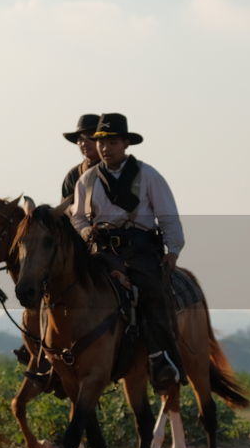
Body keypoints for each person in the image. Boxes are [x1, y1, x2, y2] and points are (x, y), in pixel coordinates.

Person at [70, 113, 187, 389]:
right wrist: (86, 231)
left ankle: (163, 360)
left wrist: (173, 251)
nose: (104, 147)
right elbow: (78, 218)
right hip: (101, 251)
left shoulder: (148, 175)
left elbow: (168, 216)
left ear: (125, 143)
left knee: (153, 295)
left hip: (139, 249)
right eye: (101, 141)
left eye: (111, 141)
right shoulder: (86, 180)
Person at [59, 114, 102, 207]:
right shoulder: (73, 175)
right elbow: (64, 210)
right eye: (80, 139)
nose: (84, 143)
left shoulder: (116, 169)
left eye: (90, 137)